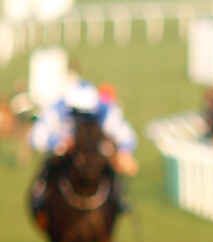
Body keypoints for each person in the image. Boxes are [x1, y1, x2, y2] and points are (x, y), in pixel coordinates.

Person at [29, 80, 138, 215]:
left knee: (111, 171)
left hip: (95, 149)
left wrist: (124, 152)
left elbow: (125, 134)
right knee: (47, 168)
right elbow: (37, 137)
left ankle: (119, 198)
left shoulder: (105, 109)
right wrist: (60, 143)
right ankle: (38, 197)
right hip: (64, 153)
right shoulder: (56, 108)